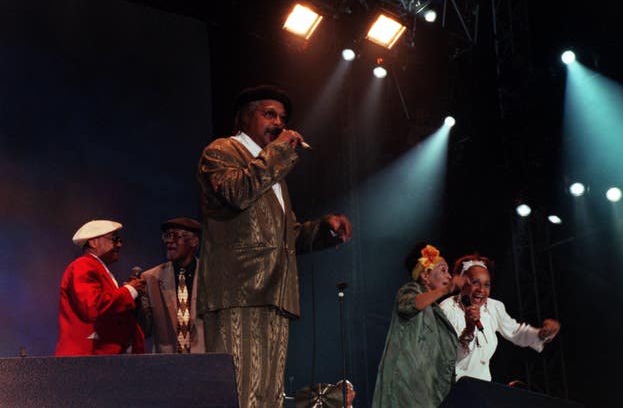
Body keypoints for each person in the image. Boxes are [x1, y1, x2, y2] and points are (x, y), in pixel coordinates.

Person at [196, 84, 352, 408]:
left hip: (275, 293)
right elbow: (237, 192)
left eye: (282, 117)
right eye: (269, 114)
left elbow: (289, 235)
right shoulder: (221, 151)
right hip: (240, 291)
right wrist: (279, 153)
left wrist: (325, 230)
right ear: (245, 118)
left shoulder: (273, 174)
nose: (279, 123)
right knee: (239, 393)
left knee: (269, 397)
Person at [371, 242, 468, 408]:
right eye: (443, 270)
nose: (449, 276)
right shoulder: (411, 290)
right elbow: (408, 305)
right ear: (425, 275)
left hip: (427, 393)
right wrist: (444, 291)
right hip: (405, 391)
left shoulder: (436, 311)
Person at [439, 253, 561, 382]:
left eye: (487, 285)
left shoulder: (493, 307)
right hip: (452, 386)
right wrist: (469, 330)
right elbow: (446, 356)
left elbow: (516, 332)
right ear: (463, 283)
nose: (481, 290)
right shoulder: (447, 309)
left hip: (483, 387)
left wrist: (542, 334)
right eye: (475, 282)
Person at [55, 219, 146, 355]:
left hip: (99, 360)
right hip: (87, 360)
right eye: (114, 239)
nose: (120, 244)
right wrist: (129, 291)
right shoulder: (83, 265)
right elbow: (92, 306)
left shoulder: (98, 269)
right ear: (93, 242)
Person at [137, 217, 204, 353]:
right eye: (166, 236)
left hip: (204, 360)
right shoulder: (151, 278)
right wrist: (137, 304)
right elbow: (145, 330)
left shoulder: (209, 275)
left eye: (175, 236)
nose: (169, 241)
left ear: (194, 241)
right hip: (167, 364)